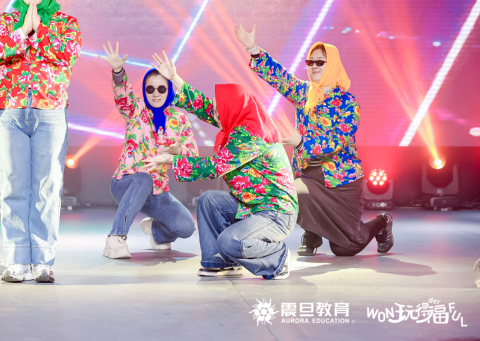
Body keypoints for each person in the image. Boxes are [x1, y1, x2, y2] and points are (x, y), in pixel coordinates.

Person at [234, 22, 393, 256]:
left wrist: (302, 143)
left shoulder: (348, 103)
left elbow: (337, 140)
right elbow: (279, 77)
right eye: (311, 62)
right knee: (294, 192)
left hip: (342, 181)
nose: (314, 66)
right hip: (308, 174)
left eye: (320, 62)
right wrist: (254, 50)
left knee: (347, 247)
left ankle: (382, 223)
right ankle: (312, 232)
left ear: (332, 65)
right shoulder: (303, 93)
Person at [145, 52, 298, 280]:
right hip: (251, 206)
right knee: (209, 200)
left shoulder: (250, 134)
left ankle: (276, 259)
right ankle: (220, 262)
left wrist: (172, 160)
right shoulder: (237, 123)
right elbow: (205, 107)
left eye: (219, 108)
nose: (215, 112)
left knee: (230, 241)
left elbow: (216, 166)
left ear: (232, 108)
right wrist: (175, 78)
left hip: (275, 213)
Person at [0, 0, 81, 283]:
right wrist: (23, 30)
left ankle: (43, 261)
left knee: (47, 189)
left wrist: (40, 30)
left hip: (49, 113)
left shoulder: (65, 22)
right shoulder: (6, 21)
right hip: (10, 113)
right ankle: (17, 260)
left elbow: (67, 54)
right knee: (13, 187)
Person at [97, 42, 197, 259]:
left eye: (161, 89)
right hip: (126, 183)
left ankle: (156, 231)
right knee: (143, 178)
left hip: (158, 190)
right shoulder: (135, 110)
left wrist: (178, 151)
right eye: (150, 89)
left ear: (169, 90)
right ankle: (115, 238)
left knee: (186, 226)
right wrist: (118, 71)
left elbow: (193, 158)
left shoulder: (179, 119)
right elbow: (123, 96)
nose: (156, 94)